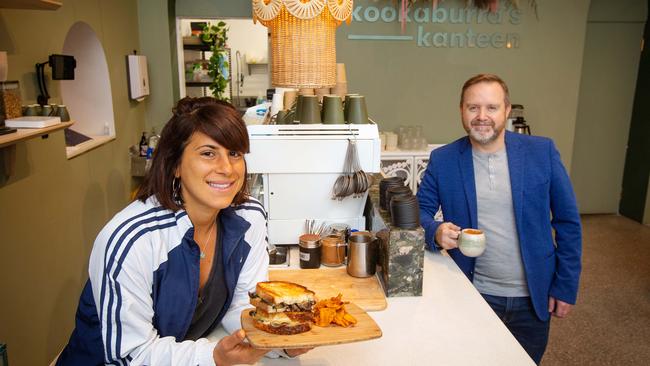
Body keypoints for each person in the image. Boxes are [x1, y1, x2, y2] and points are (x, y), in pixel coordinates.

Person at [57, 97, 308, 365]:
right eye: (208, 153)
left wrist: (281, 339)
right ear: (175, 164)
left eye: (234, 153)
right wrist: (213, 356)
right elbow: (130, 354)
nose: (226, 168)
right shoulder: (131, 239)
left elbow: (243, 307)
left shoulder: (250, 218)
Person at [416, 74, 582, 364]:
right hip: (471, 293)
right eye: (473, 108)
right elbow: (417, 213)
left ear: (506, 110)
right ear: (461, 111)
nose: (482, 117)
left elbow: (568, 222)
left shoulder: (541, 152)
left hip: (532, 296)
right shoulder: (444, 159)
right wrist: (435, 230)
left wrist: (565, 285)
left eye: (491, 107)